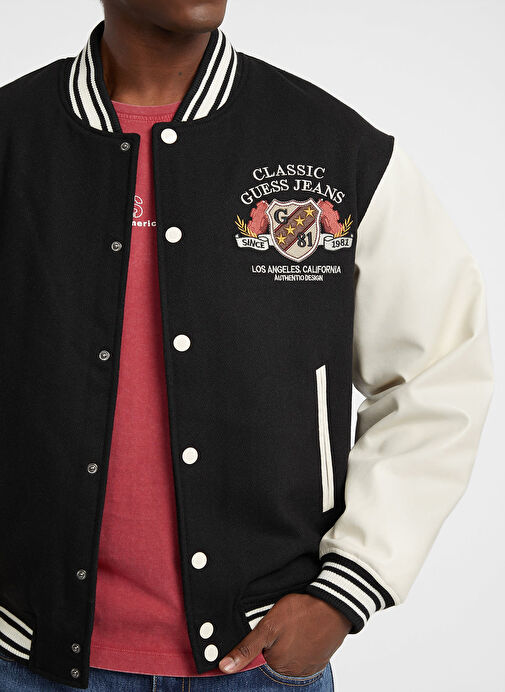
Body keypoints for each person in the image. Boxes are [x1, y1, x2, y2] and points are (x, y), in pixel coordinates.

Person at [0, 0, 494, 690]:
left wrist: (348, 586)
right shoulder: (14, 136)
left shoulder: (334, 147)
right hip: (23, 652)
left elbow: (440, 371)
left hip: (257, 657)